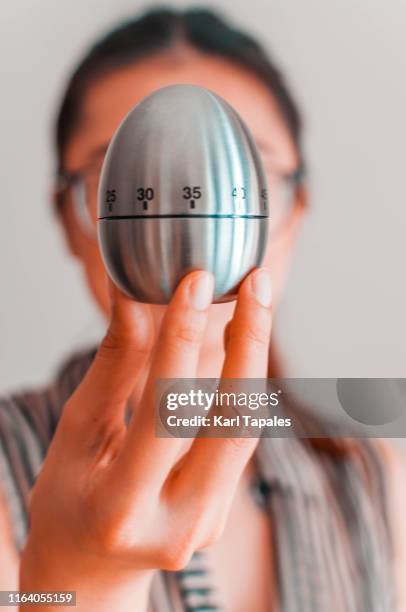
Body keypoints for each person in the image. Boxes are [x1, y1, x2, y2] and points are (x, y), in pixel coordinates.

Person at [0, 7, 404, 611]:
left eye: (238, 176)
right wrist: (80, 579)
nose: (188, 227)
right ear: (70, 219)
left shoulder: (373, 475)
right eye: (133, 180)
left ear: (293, 214)